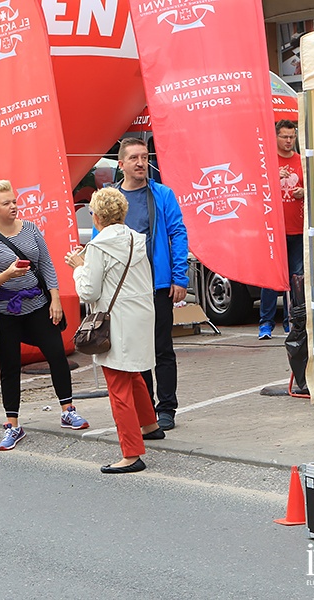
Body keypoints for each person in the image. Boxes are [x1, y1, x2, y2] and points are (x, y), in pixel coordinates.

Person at [0, 179, 89, 451]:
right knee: (10, 367)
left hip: (37, 304)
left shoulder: (31, 229)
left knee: (57, 354)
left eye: (14, 200)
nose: (14, 206)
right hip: (5, 312)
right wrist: (7, 275)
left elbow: (46, 264)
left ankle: (68, 409)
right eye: (7, 203)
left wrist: (56, 299)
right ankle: (12, 425)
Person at [66, 188, 163, 473]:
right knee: (132, 374)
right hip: (141, 314)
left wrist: (78, 267)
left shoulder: (98, 247)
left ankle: (131, 453)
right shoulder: (136, 238)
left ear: (97, 217)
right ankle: (150, 425)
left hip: (116, 319)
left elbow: (88, 291)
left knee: (118, 385)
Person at [115, 138, 189, 431]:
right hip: (127, 287)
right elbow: (101, 240)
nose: (141, 163)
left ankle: (167, 408)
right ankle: (145, 410)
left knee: (162, 348)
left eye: (144, 157)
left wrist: (179, 277)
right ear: (121, 164)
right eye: (133, 158)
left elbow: (178, 233)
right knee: (136, 350)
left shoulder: (161, 194)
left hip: (157, 284)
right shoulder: (111, 199)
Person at [259, 120, 306, 340]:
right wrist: (273, 179)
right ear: (275, 137)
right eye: (284, 137)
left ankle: (292, 322)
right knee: (272, 277)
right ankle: (266, 323)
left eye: (292, 137)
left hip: (297, 228)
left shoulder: (301, 161)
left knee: (296, 278)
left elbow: (311, 188)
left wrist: (302, 192)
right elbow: (257, 188)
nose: (288, 141)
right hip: (273, 229)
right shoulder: (267, 161)